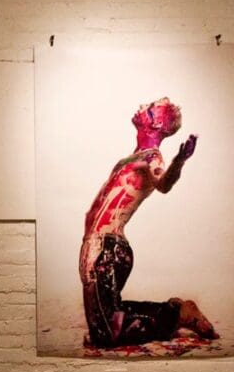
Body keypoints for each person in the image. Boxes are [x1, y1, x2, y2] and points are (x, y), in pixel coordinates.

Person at [80, 97, 218, 348]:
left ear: (158, 124)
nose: (142, 106)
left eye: (151, 108)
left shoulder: (152, 157)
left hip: (107, 247)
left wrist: (179, 161)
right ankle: (173, 310)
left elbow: (163, 183)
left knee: (105, 335)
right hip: (95, 244)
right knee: (109, 316)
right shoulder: (132, 157)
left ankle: (178, 315)